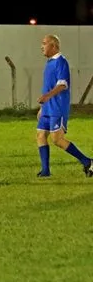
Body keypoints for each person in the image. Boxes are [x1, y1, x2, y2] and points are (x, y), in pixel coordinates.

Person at [36, 34, 93, 178]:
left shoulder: (61, 62)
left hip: (57, 108)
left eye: (44, 43)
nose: (41, 46)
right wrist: (43, 107)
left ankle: (87, 161)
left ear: (54, 46)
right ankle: (45, 171)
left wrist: (47, 97)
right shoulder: (49, 63)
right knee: (41, 135)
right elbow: (47, 87)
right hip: (48, 108)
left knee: (57, 140)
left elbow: (62, 84)